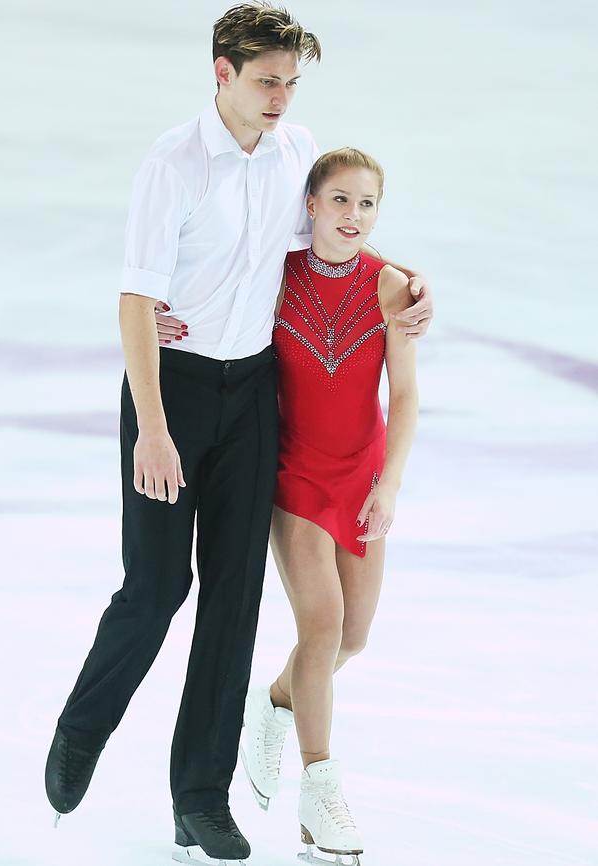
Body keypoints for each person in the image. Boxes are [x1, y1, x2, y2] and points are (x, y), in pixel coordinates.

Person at [45, 4, 432, 865]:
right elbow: (137, 301)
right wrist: (151, 427)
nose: (281, 97)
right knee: (156, 589)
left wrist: (404, 275)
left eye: (291, 82)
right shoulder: (174, 163)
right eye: (266, 80)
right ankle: (83, 726)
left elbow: (331, 238)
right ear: (221, 71)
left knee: (234, 599)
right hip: (170, 396)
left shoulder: (296, 152)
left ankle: (199, 800)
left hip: (253, 392)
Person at [218, 147, 419, 866]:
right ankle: (321, 787)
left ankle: (274, 701)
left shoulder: (391, 287)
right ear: (310, 205)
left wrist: (389, 483)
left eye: (366, 204)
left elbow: (406, 395)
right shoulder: (277, 276)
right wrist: (163, 319)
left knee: (352, 638)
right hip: (294, 477)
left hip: (361, 479)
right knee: (323, 623)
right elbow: (216, 297)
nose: (353, 216)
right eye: (339, 200)